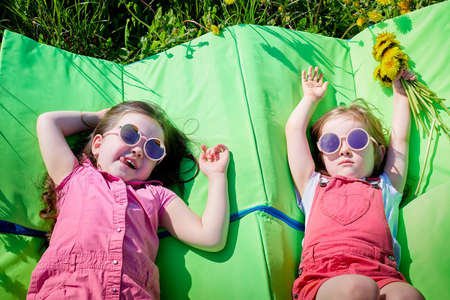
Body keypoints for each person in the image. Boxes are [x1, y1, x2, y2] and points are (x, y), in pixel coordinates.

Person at [27, 101, 230, 299]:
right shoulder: (74, 176)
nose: (139, 150)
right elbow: (48, 122)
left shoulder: (156, 196)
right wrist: (98, 118)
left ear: (155, 165)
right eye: (130, 134)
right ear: (98, 145)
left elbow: (211, 237)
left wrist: (217, 176)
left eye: (153, 149)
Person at [286, 66, 424, 300]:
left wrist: (400, 93)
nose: (345, 149)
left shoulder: (386, 187)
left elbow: (400, 138)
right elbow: (294, 131)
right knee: (357, 289)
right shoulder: (312, 185)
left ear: (378, 152)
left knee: (408, 295)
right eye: (331, 143)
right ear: (320, 156)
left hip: (383, 275)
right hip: (324, 278)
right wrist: (310, 99)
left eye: (357, 140)